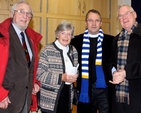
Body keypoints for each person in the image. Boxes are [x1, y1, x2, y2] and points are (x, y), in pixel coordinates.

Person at [0, 1, 42, 113]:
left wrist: (35, 83)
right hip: (5, 100)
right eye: (21, 12)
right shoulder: (2, 36)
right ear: (12, 13)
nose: (25, 16)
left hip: (25, 99)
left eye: (29, 14)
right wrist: (1, 94)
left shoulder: (31, 39)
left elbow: (29, 68)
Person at [70, 9, 114, 113]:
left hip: (106, 89)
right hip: (86, 88)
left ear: (101, 23)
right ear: (86, 23)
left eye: (97, 20)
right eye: (90, 20)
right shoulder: (76, 41)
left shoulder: (111, 41)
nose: (94, 23)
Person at [37, 20, 79, 113]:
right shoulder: (47, 50)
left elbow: (76, 69)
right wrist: (61, 77)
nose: (66, 37)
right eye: (63, 33)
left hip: (68, 94)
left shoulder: (73, 50)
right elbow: (40, 74)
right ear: (57, 34)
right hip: (50, 98)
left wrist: (76, 75)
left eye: (69, 34)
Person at [109, 4, 141, 113]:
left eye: (127, 14)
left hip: (137, 97)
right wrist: (114, 73)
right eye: (120, 16)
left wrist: (126, 72)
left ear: (135, 14)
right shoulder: (116, 39)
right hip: (118, 96)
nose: (124, 18)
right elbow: (112, 62)